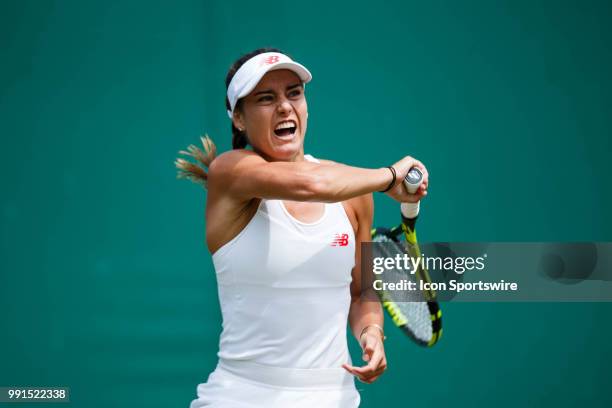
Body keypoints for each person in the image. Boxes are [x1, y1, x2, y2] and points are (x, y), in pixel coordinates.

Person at [176, 48, 429, 408]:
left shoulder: (355, 197)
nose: (284, 107)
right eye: (266, 98)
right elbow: (311, 184)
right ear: (239, 120)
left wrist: (371, 332)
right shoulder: (229, 171)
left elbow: (361, 293)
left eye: (294, 93)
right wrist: (389, 177)